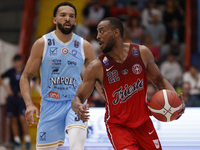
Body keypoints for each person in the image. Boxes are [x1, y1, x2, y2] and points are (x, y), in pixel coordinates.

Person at [71, 17, 185, 150]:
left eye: (102, 31)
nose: (98, 36)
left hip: (144, 123)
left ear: (116, 32)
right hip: (118, 126)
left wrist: (176, 101)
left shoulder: (141, 52)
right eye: (97, 32)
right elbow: (78, 97)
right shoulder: (96, 67)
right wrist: (77, 106)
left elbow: (160, 80)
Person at [20, 2, 96, 150]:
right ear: (55, 20)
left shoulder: (84, 46)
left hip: (75, 102)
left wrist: (109, 98)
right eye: (63, 15)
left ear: (75, 21)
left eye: (71, 16)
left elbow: (96, 77)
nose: (67, 18)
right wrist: (29, 105)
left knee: (77, 147)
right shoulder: (42, 43)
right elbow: (25, 77)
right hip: (49, 105)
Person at [0, 54, 31, 150]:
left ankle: (27, 140)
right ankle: (17, 141)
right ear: (14, 62)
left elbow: (36, 79)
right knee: (13, 119)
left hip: (21, 99)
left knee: (22, 118)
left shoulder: (26, 70)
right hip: (12, 98)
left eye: (19, 61)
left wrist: (26, 91)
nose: (17, 63)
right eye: (15, 61)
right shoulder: (11, 71)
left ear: (22, 61)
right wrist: (6, 88)